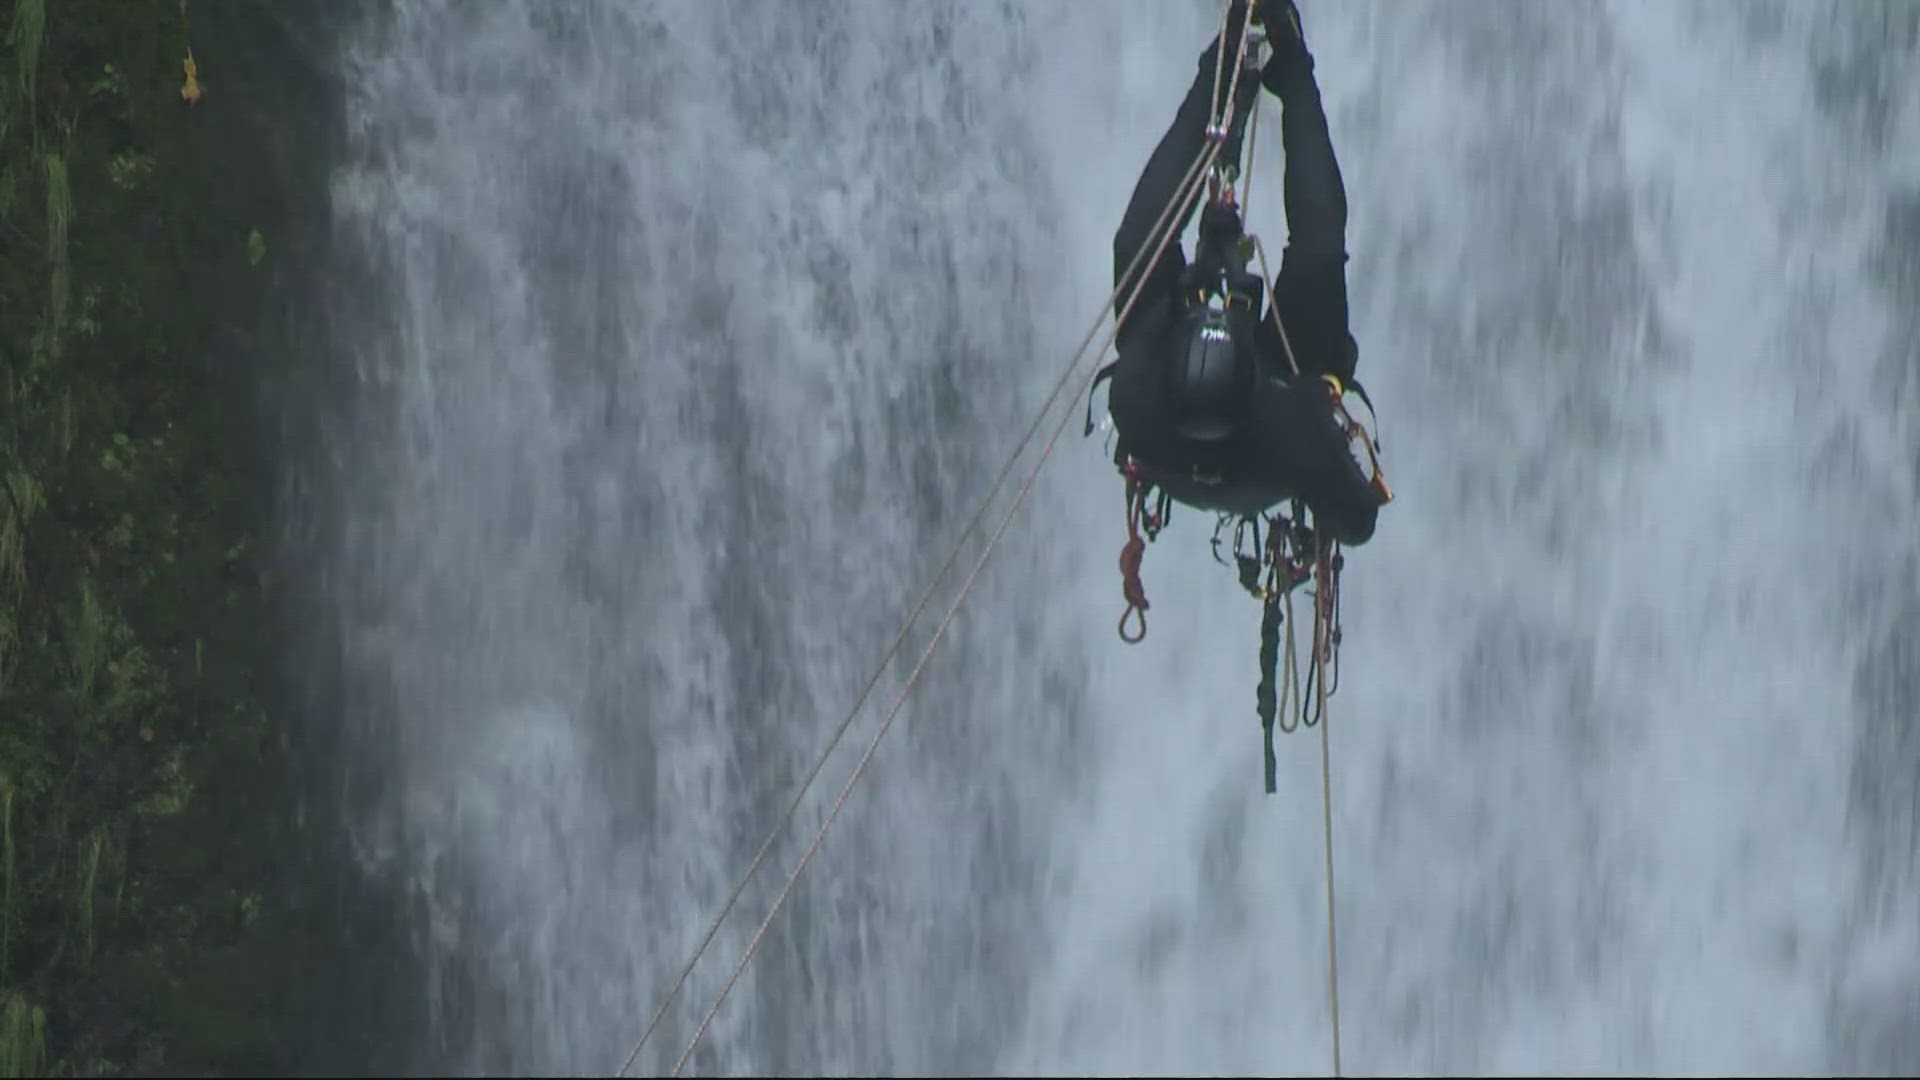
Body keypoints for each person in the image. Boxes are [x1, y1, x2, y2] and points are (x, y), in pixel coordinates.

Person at [1104, 0, 1387, 546]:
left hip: (1172, 437)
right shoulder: (1292, 425)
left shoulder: (1135, 395)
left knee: (1139, 245)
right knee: (1318, 254)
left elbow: (1148, 249)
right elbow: (1359, 523)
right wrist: (1326, 458)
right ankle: (1294, 74)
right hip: (1272, 460)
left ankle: (1219, 75)